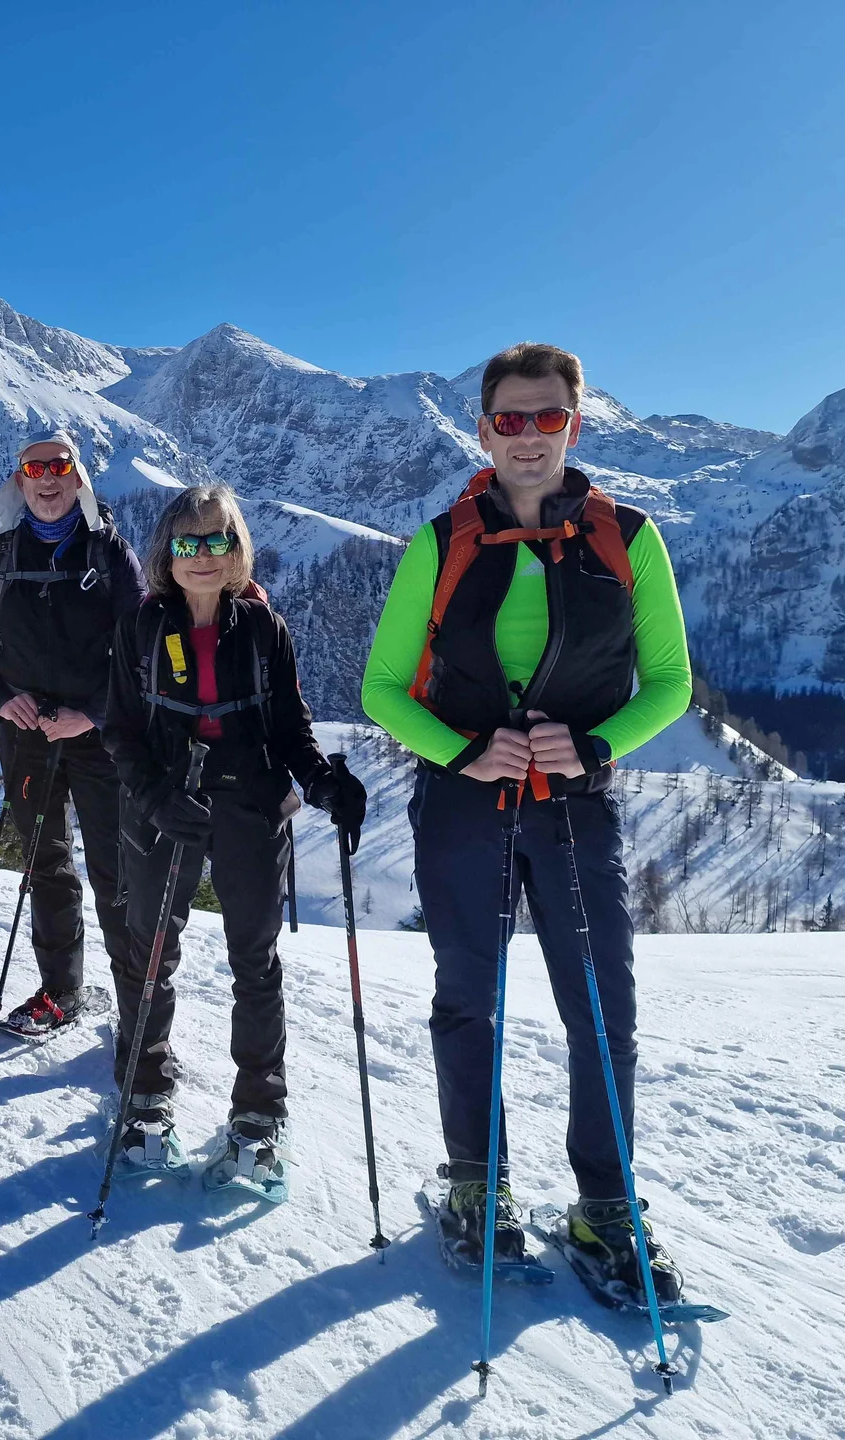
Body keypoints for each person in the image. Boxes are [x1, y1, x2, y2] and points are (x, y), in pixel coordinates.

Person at [360, 343, 693, 1296]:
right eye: (509, 418)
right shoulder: (442, 540)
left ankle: (606, 1203)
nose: (528, 436)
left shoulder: (631, 537)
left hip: (575, 807)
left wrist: (593, 744)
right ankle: (477, 1185)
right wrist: (463, 749)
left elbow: (668, 684)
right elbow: (384, 690)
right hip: (465, 803)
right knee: (471, 998)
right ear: (483, 430)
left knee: (601, 1008)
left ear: (575, 426)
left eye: (547, 417)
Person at [103, 485, 366, 1187]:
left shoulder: (262, 627)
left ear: (235, 547)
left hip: (250, 805)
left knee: (255, 960)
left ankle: (258, 1112)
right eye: (187, 542)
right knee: (152, 952)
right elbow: (120, 731)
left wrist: (321, 781)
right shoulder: (142, 625)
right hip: (166, 806)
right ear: (167, 550)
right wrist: (157, 798)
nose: (202, 555)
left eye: (217, 540)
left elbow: (290, 727)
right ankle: (145, 1097)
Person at [0, 431, 147, 1035]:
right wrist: (1, 700)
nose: (46, 479)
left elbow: (140, 650)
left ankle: (138, 999)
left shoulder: (110, 553)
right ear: (19, 480)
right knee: (47, 863)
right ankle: (62, 989)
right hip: (27, 733)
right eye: (33, 468)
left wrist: (91, 712)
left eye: (58, 467)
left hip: (100, 735)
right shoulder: (0, 557)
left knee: (117, 868)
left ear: (78, 476)